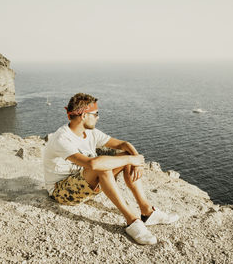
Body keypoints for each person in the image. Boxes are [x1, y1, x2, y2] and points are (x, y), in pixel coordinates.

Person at [43, 93, 178, 245]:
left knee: (124, 155)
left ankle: (147, 212)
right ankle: (132, 221)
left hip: (86, 183)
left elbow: (123, 145)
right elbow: (93, 165)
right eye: (96, 114)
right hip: (61, 192)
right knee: (103, 167)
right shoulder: (62, 138)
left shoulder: (90, 133)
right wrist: (131, 159)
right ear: (83, 115)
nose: (98, 117)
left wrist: (135, 160)